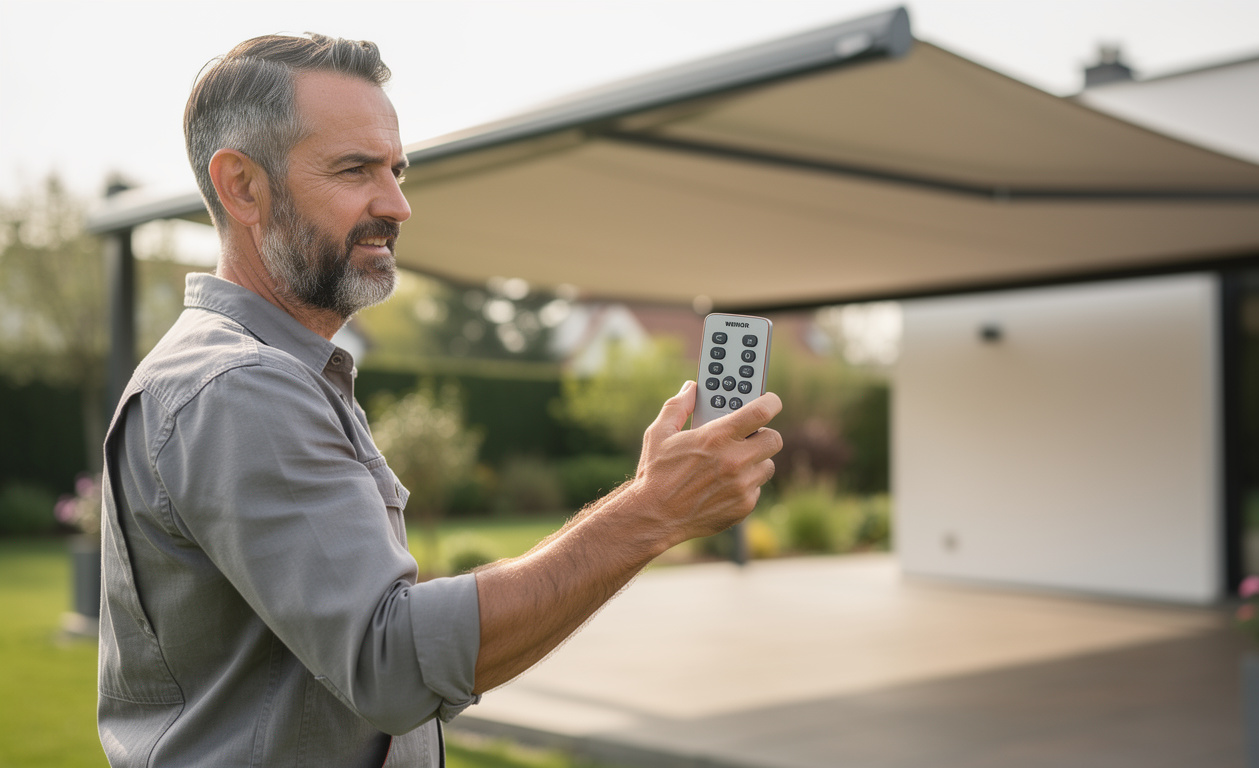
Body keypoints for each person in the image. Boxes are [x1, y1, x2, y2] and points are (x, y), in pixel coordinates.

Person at [98, 33, 783, 768]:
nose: (397, 205)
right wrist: (651, 511)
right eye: (355, 169)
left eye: (396, 170)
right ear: (242, 187)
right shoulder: (239, 386)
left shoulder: (272, 372)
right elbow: (392, 661)